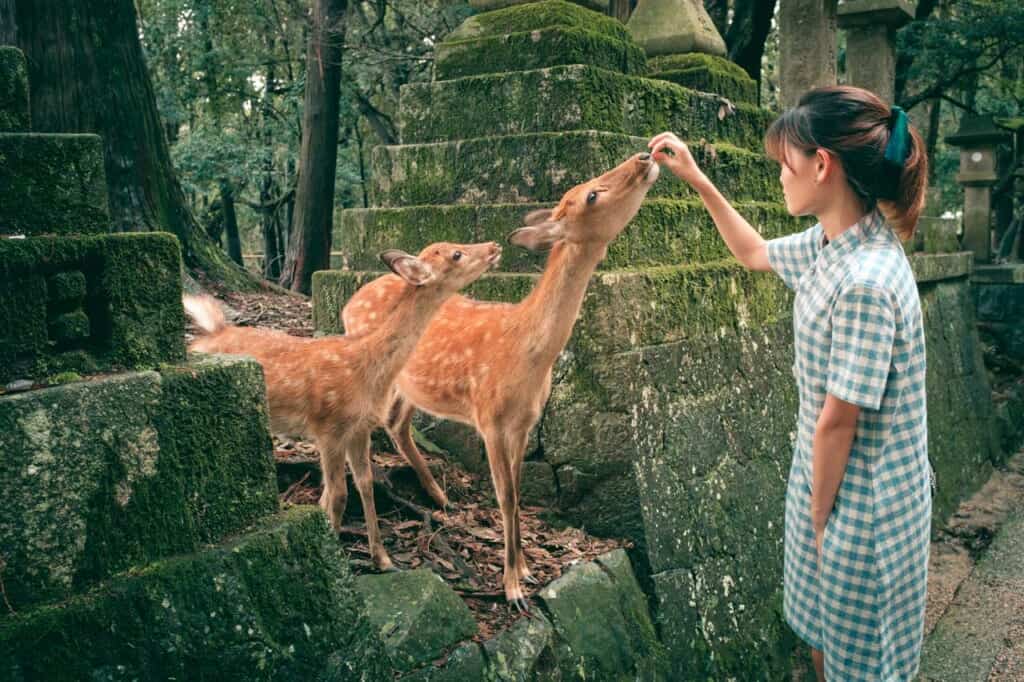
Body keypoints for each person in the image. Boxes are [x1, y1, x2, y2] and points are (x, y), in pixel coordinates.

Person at [649, 85, 931, 681]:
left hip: (862, 510)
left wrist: (821, 520)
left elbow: (838, 422)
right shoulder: (833, 240)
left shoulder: (866, 281)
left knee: (865, 663)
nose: (780, 175)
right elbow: (753, 253)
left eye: (786, 163)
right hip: (825, 489)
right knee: (825, 643)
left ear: (822, 165)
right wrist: (698, 179)